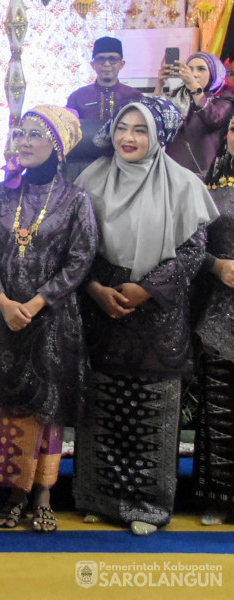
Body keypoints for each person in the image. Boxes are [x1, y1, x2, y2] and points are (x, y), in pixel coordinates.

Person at [74, 98, 216, 536]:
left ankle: (147, 506)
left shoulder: (184, 184)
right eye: (122, 127)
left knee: (149, 411)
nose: (128, 138)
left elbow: (193, 250)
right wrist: (96, 288)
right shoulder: (90, 179)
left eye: (140, 130)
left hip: (156, 315)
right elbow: (75, 243)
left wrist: (146, 290)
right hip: (103, 309)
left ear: (157, 137)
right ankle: (100, 498)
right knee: (104, 407)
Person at [0, 105, 97, 534]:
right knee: (6, 404)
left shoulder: (75, 199)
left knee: (46, 408)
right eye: (20, 134)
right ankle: (10, 491)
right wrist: (3, 301)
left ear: (57, 146)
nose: (22, 142)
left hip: (52, 322)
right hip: (2, 319)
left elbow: (81, 259)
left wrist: (39, 302)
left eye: (33, 135)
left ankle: (41, 494)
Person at [189, 116, 234, 526]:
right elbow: (189, 249)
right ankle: (218, 497)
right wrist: (217, 265)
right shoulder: (209, 190)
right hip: (221, 317)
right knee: (219, 411)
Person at [65, 37, 144, 181]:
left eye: (112, 59)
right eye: (101, 59)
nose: (107, 64)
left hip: (124, 164)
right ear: (93, 64)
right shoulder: (78, 96)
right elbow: (67, 132)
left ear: (121, 64)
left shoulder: (134, 96)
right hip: (85, 168)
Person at [154, 50, 234, 175]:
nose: (194, 74)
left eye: (201, 69)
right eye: (190, 69)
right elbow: (154, 118)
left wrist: (194, 88)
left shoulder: (224, 97)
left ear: (214, 72)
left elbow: (214, 118)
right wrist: (160, 83)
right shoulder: (179, 95)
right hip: (173, 172)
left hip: (204, 173)